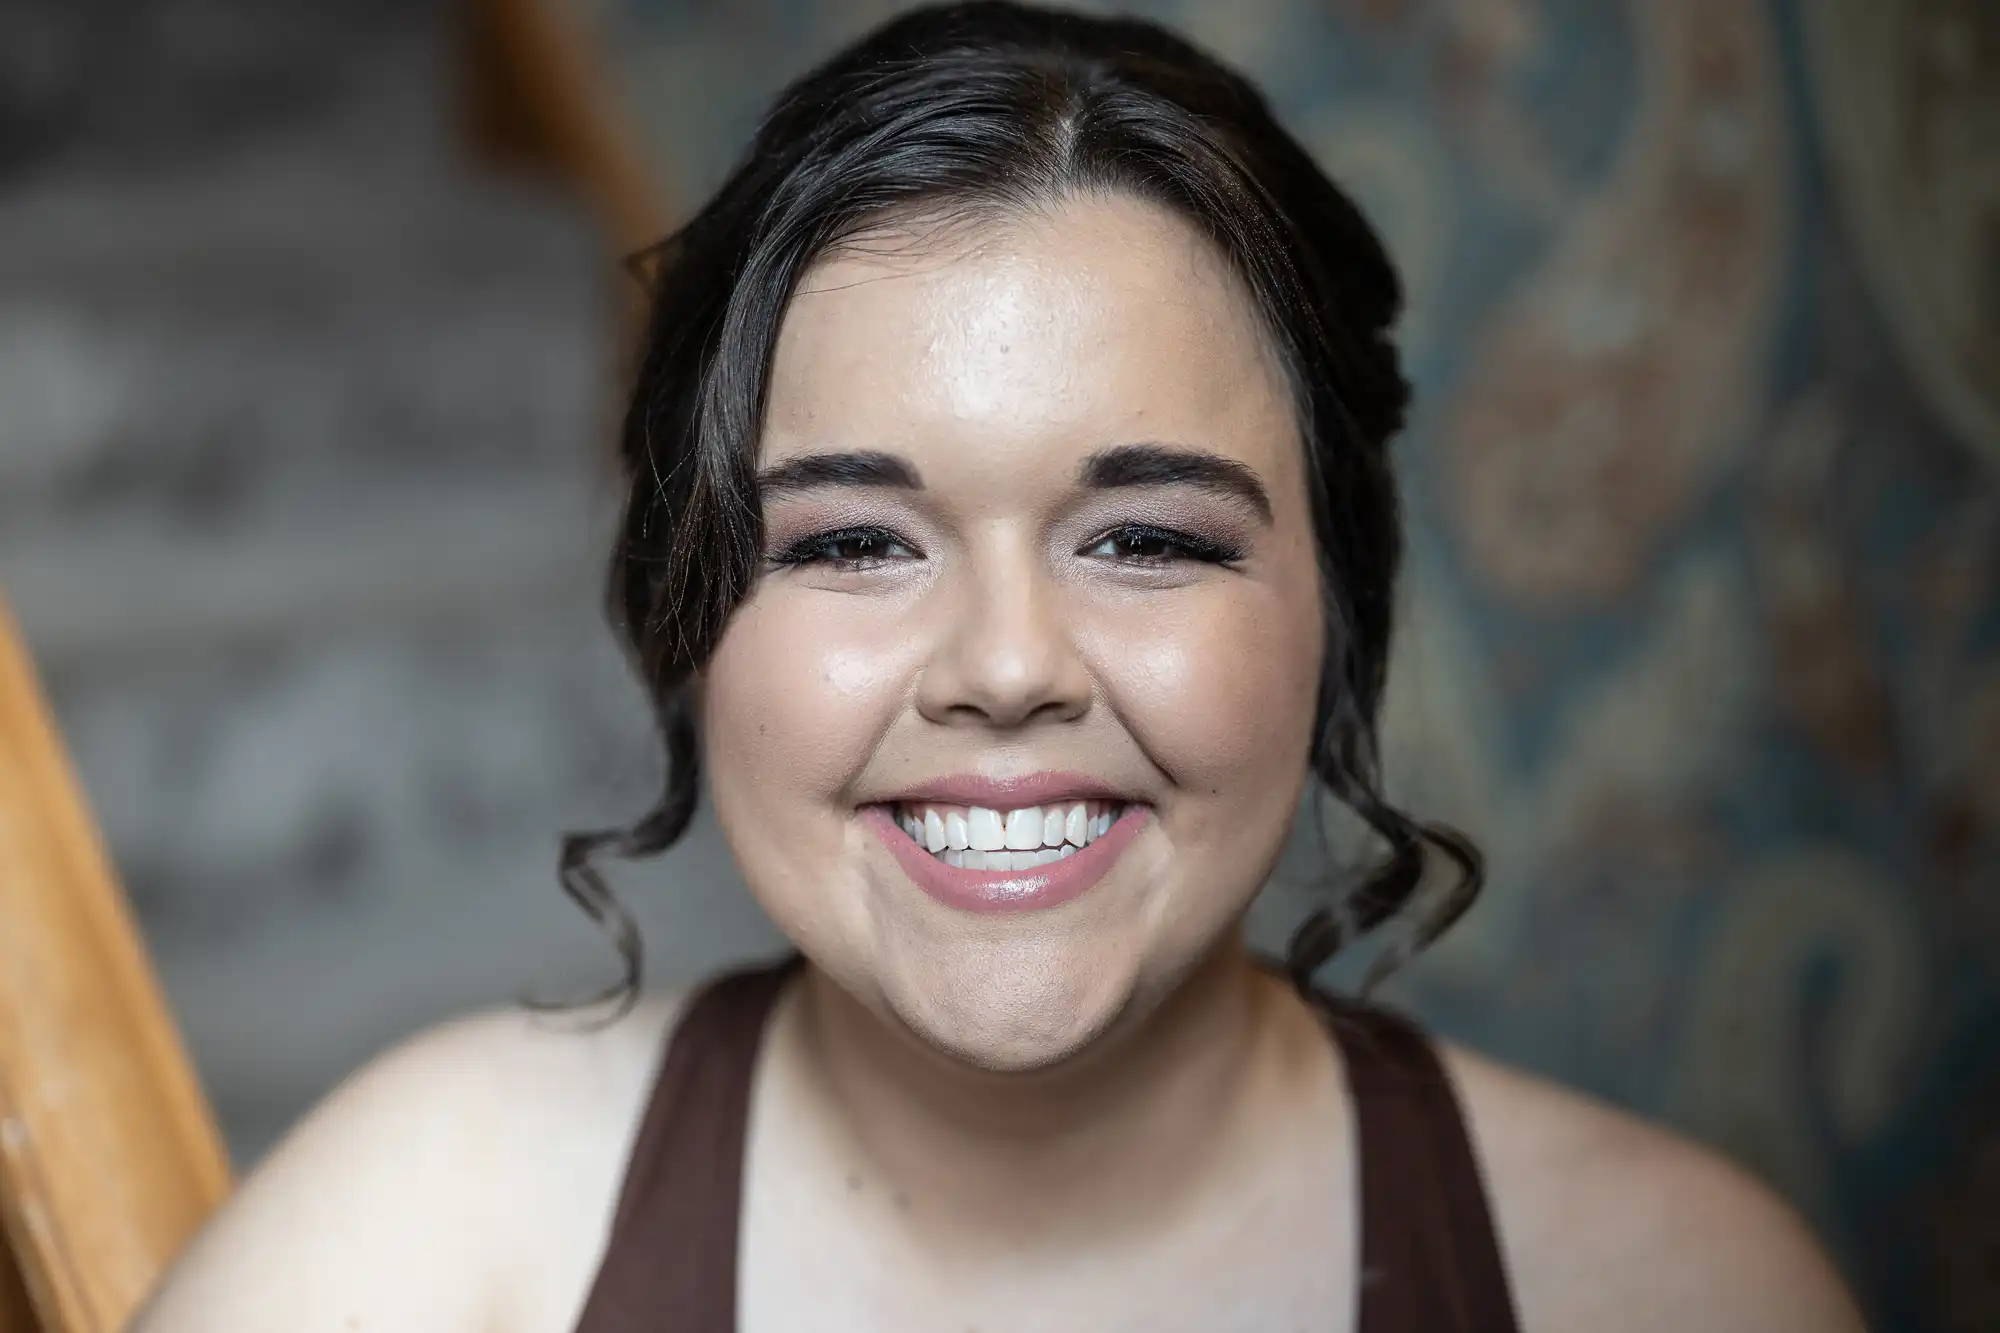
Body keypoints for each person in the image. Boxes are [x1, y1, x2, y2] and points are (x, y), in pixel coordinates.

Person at [134, 4, 1866, 1330]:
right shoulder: (430, 1237)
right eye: (853, 542)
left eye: (1147, 537)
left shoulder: (1664, 1284)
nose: (1008, 666)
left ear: (1334, 592)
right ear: (693, 619)